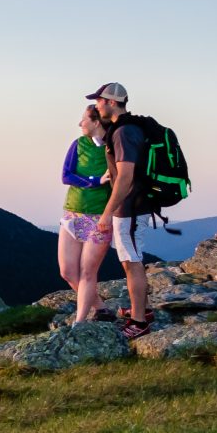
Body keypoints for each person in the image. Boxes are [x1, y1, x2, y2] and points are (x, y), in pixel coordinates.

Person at [88, 82, 152, 337]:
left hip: (130, 208)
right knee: (130, 260)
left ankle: (139, 322)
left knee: (132, 263)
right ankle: (142, 310)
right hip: (133, 206)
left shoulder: (124, 132)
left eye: (99, 101)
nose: (96, 105)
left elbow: (126, 177)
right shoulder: (126, 129)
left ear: (111, 102)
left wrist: (107, 212)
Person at [58, 104, 113, 324]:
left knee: (88, 271)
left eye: (84, 119)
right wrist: (94, 181)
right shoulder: (78, 144)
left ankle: (79, 322)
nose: (80, 123)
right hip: (73, 214)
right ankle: (100, 307)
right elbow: (66, 176)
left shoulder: (113, 148)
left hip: (100, 218)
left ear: (96, 122)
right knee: (68, 272)